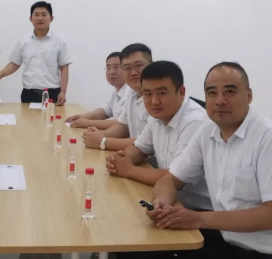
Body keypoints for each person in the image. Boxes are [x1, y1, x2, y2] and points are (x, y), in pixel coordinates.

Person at [146, 62, 272, 259]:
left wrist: (199, 218)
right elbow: (169, 180)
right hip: (231, 242)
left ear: (249, 96)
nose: (220, 100)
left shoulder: (271, 138)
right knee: (152, 249)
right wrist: (161, 206)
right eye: (212, 93)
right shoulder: (206, 132)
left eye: (229, 91)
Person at [106, 61, 211, 211]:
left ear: (181, 92)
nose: (154, 101)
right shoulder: (157, 117)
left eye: (161, 93)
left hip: (198, 210)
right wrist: (122, 159)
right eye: (148, 94)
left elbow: (173, 176)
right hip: (169, 200)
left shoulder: (195, 122)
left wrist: (128, 169)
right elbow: (139, 148)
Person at [0, 1, 72, 105]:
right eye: (36, 15)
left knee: (50, 116)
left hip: (52, 93)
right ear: (31, 18)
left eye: (44, 14)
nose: (40, 18)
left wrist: (63, 92)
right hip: (29, 93)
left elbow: (64, 67)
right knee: (26, 116)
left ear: (51, 18)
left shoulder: (59, 40)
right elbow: (14, 64)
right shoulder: (24, 40)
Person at [83, 43, 151, 151]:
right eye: (127, 68)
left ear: (151, 65)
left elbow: (147, 142)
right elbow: (123, 126)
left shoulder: (156, 99)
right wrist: (101, 135)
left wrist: (103, 141)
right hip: (135, 154)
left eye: (138, 65)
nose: (133, 72)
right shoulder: (132, 93)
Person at [65, 52, 128, 129]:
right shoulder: (117, 90)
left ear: (126, 69)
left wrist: (88, 123)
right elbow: (105, 111)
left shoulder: (130, 93)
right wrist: (83, 117)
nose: (111, 72)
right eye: (108, 68)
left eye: (116, 67)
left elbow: (122, 123)